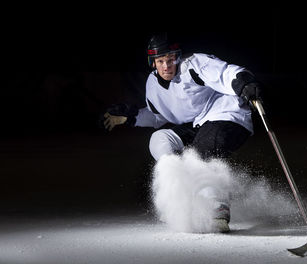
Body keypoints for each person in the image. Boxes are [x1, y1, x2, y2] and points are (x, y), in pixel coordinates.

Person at [101, 33, 263, 232]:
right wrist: (132, 117)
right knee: (160, 139)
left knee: (204, 147)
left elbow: (227, 72)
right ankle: (181, 192)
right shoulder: (153, 85)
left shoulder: (193, 64)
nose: (167, 66)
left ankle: (217, 206)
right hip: (198, 121)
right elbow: (159, 116)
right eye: (160, 61)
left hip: (227, 113)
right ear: (153, 63)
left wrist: (244, 83)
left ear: (177, 57)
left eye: (170, 60)